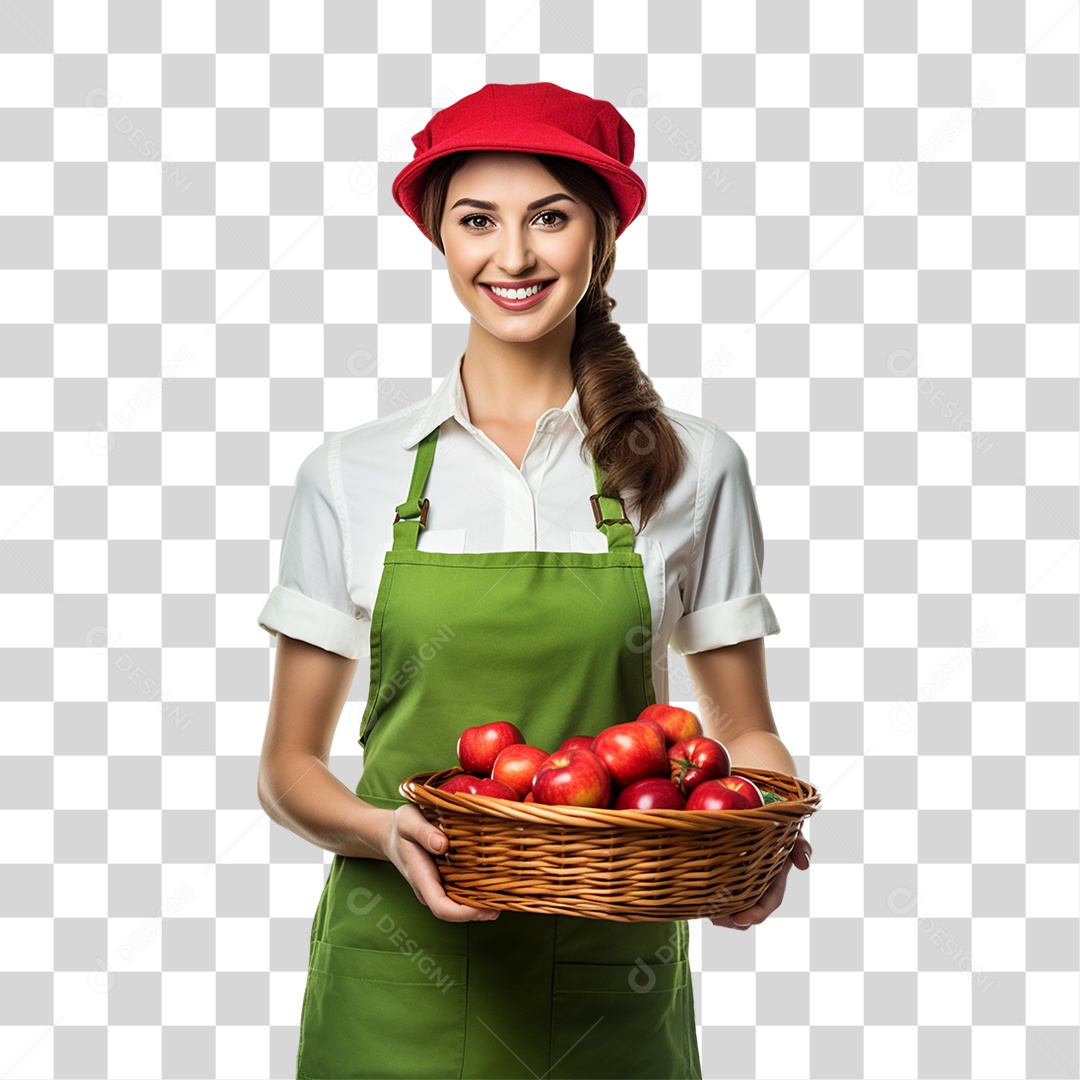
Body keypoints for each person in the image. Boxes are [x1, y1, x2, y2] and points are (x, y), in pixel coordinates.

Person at [256, 80, 810, 1080]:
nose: (511, 257)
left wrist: (753, 829)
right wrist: (387, 831)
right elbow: (288, 770)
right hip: (394, 982)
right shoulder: (353, 471)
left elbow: (741, 725)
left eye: (548, 218)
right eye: (478, 220)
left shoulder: (693, 464)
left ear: (600, 238)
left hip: (611, 981)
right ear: (441, 240)